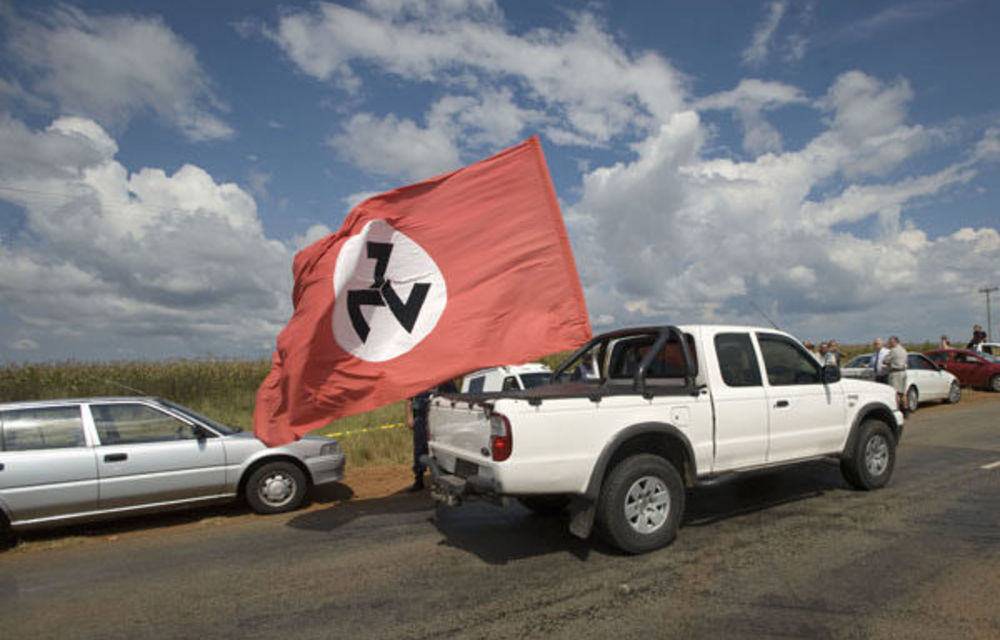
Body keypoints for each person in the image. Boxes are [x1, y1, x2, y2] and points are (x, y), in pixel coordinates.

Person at [406, 380, 457, 492]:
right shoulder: (417, 376)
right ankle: (419, 478)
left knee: (442, 448)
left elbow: (455, 397)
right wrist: (409, 416)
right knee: (420, 448)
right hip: (420, 415)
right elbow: (409, 397)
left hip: (439, 416)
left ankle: (445, 478)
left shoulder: (445, 375)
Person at [884, 336, 908, 410]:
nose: (889, 344)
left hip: (895, 373)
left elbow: (885, 360)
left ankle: (897, 409)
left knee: (895, 393)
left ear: (895, 342)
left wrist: (888, 364)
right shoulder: (904, 350)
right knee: (903, 393)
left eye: (890, 342)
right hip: (903, 372)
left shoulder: (893, 351)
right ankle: (905, 409)